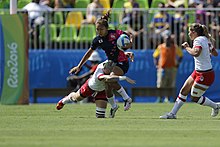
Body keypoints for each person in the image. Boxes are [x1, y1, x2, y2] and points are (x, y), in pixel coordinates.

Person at [69, 10, 134, 111]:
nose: (99, 31)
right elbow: (88, 53)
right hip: (111, 63)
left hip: (122, 62)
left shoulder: (115, 34)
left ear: (107, 28)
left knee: (110, 79)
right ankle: (114, 106)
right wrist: (79, 66)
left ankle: (127, 99)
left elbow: (130, 35)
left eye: (101, 29)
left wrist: (130, 44)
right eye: (97, 29)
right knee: (107, 84)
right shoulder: (97, 40)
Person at [160, 23, 219, 119]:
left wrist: (187, 47)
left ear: (194, 32)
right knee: (183, 91)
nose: (188, 34)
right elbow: (215, 53)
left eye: (189, 32)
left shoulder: (198, 40)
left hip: (205, 74)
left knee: (195, 98)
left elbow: (196, 53)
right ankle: (172, 114)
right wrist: (208, 51)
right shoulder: (205, 39)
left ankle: (216, 106)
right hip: (198, 71)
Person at [56, 60, 136, 118]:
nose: (110, 72)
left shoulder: (109, 63)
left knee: (100, 115)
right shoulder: (100, 73)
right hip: (90, 87)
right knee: (76, 98)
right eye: (108, 70)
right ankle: (64, 100)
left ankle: (114, 106)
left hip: (102, 90)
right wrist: (124, 78)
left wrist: (126, 54)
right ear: (104, 68)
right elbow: (108, 78)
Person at [153, 32, 183, 103]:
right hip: (162, 68)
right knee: (160, 83)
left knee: (170, 84)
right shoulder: (160, 47)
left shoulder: (175, 47)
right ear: (164, 40)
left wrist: (178, 63)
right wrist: (157, 65)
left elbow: (181, 55)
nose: (167, 41)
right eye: (166, 39)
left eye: (169, 39)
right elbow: (155, 56)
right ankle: (160, 98)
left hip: (172, 68)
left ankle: (168, 98)